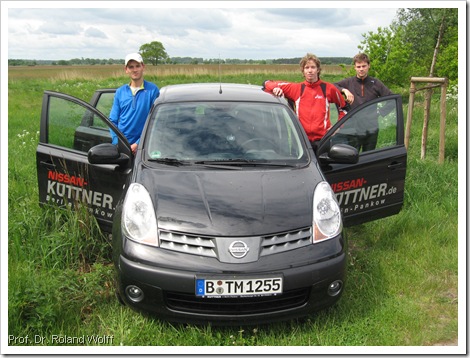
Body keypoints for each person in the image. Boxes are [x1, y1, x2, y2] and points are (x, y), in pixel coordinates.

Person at [262, 53, 348, 147]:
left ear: (318, 69)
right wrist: (275, 88)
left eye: (313, 67)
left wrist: (337, 127)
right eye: (307, 68)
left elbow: (344, 108)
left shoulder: (328, 88)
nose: (310, 71)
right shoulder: (297, 88)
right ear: (303, 71)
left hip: (323, 140)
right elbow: (267, 82)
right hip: (301, 140)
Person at [334, 53, 393, 152]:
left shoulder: (376, 83)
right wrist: (344, 90)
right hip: (353, 129)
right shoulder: (349, 82)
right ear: (355, 68)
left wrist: (380, 112)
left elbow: (392, 99)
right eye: (358, 66)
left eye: (364, 66)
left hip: (371, 128)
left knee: (368, 158)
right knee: (351, 156)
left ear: (369, 66)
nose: (361, 69)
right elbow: (333, 86)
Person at [109, 52, 160, 155]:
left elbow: (155, 122)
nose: (135, 69)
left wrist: (138, 144)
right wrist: (118, 142)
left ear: (143, 67)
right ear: (126, 70)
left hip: (144, 146)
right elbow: (112, 120)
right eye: (131, 67)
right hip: (121, 146)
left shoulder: (152, 90)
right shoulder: (120, 92)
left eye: (137, 66)